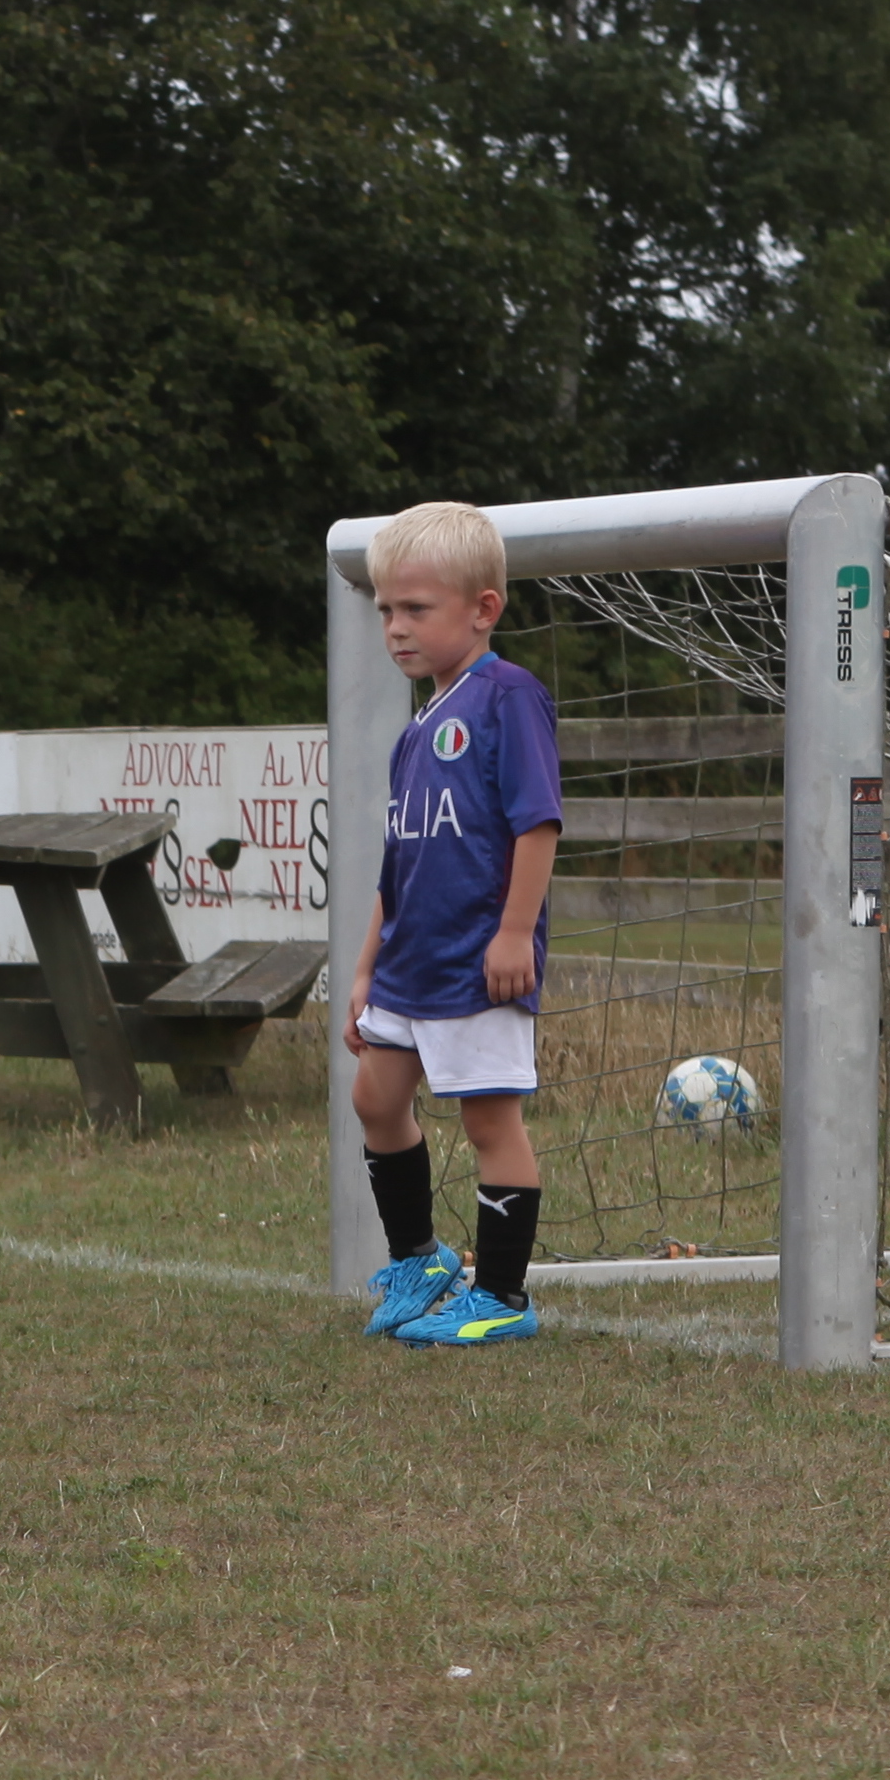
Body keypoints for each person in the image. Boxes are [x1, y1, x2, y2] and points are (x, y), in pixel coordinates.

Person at [349, 499, 564, 1345]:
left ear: (483, 610)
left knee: (487, 1121)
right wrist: (367, 965)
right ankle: (420, 1256)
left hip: (477, 961)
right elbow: (397, 862)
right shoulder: (416, 730)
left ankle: (503, 1297)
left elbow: (536, 824)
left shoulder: (509, 698)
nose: (396, 629)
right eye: (385, 611)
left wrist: (514, 933)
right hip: (408, 962)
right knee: (376, 1097)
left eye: (416, 610)